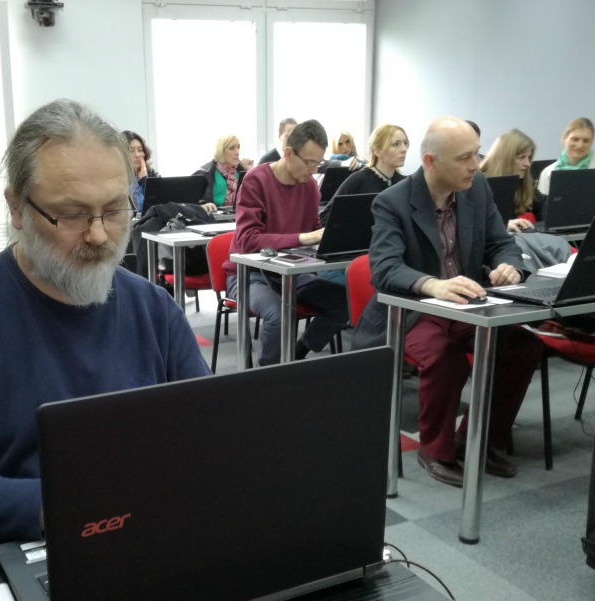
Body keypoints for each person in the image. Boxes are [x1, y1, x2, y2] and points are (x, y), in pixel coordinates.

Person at [0, 99, 211, 543]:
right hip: (10, 546)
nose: (98, 235)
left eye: (114, 210)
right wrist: (83, 508)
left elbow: (205, 440)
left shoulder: (154, 309)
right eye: (71, 214)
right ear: (17, 208)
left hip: (136, 531)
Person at [353, 116, 541, 486]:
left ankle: (476, 440)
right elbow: (385, 269)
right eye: (464, 158)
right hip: (410, 311)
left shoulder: (477, 188)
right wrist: (433, 285)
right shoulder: (391, 202)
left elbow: (500, 242)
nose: (475, 165)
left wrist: (509, 266)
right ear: (431, 162)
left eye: (476, 154)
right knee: (444, 356)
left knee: (523, 347)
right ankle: (434, 450)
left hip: (465, 305)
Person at [229, 119, 349, 366]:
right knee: (280, 314)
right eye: (309, 162)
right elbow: (247, 240)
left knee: (343, 302)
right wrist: (304, 238)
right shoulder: (255, 180)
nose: (314, 170)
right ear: (288, 153)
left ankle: (295, 355)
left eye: (318, 163)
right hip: (249, 276)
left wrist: (334, 240)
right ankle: (269, 379)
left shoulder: (310, 187)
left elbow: (313, 230)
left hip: (291, 275)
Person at [322, 124, 409, 222]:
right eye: (396, 144)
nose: (404, 149)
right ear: (377, 151)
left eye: (405, 143)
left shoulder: (405, 184)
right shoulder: (359, 179)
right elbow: (326, 216)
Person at [537, 117, 595, 213]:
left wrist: (577, 210)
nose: (579, 145)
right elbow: (542, 211)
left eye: (586, 141)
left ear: (591, 143)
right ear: (564, 139)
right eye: (575, 139)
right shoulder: (548, 172)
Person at [193, 134, 252, 212]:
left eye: (238, 147)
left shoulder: (242, 172)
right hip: (213, 217)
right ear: (221, 151)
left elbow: (255, 200)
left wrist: (251, 171)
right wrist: (203, 205)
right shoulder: (204, 174)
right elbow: (190, 203)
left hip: (238, 216)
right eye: (231, 148)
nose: (237, 152)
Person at [121, 130, 159, 213]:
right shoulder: (117, 180)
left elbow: (159, 207)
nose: (137, 155)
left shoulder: (153, 176)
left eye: (140, 150)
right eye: (131, 151)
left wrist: (145, 180)